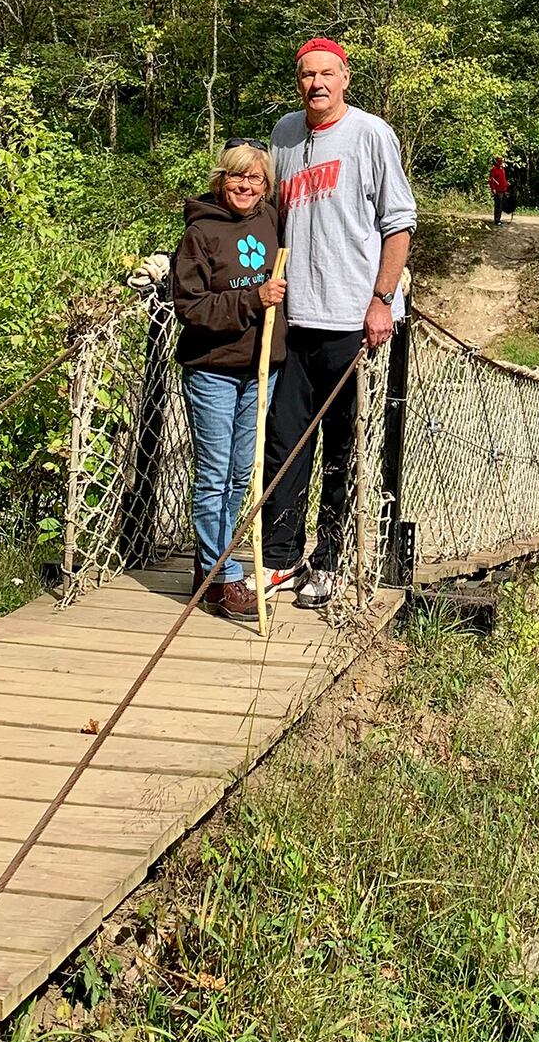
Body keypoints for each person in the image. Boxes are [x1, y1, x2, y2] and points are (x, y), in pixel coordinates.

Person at [261, 38, 417, 608]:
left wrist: (382, 299)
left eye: (327, 74)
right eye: (307, 75)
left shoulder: (371, 135)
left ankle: (328, 561)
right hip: (291, 321)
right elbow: (266, 222)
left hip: (350, 319)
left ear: (345, 78)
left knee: (342, 447)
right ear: (297, 81)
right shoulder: (283, 135)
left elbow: (398, 222)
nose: (316, 84)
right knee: (282, 443)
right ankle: (279, 559)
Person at [169, 142, 288, 619]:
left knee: (241, 474)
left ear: (266, 185)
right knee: (215, 475)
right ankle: (224, 576)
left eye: (255, 179)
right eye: (237, 178)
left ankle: (209, 566)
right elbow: (189, 307)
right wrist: (252, 300)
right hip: (213, 370)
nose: (245, 186)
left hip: (261, 369)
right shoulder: (200, 233)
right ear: (222, 180)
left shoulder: (272, 220)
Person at [488, 156, 509, 227]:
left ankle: (499, 219)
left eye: (501, 161)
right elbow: (492, 180)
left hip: (503, 189)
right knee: (498, 205)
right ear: (496, 162)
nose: (501, 163)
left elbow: (503, 178)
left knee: (501, 205)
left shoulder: (502, 169)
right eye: (499, 161)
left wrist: (506, 185)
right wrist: (493, 188)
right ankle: (496, 220)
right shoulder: (494, 170)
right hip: (497, 190)